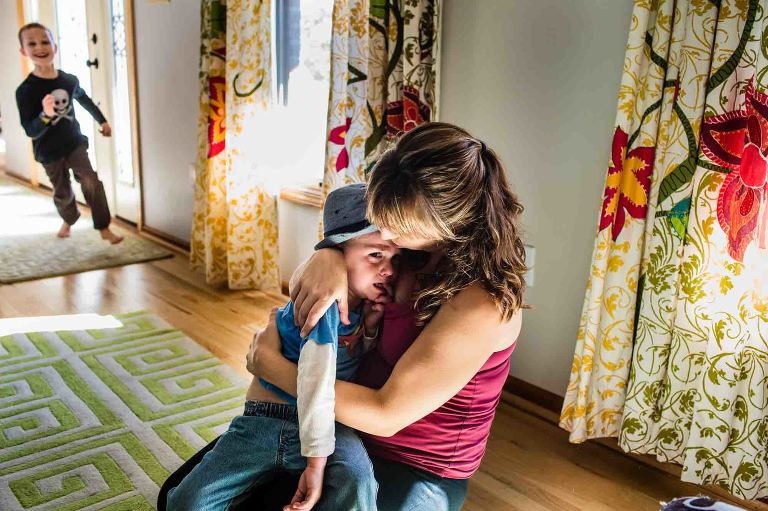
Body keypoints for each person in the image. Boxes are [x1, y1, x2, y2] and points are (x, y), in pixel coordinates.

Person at [249, 121, 527, 511]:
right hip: (342, 428)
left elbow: (386, 415)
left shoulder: (484, 302)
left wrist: (271, 366)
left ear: (443, 225)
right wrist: (327, 253)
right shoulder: (407, 226)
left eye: (393, 225)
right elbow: (339, 227)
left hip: (417, 466)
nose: (381, 228)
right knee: (191, 494)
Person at [165, 184, 398, 511]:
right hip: (268, 422)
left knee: (359, 482)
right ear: (337, 254)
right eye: (376, 255)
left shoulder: (364, 306)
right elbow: (316, 380)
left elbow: (347, 359)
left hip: (331, 425)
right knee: (189, 502)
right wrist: (316, 464)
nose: (388, 270)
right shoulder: (324, 303)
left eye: (394, 258)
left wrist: (369, 332)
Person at [15, 22, 123, 244]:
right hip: (48, 151)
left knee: (91, 180)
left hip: (73, 143)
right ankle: (69, 219)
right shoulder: (25, 91)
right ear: (23, 51)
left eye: (45, 41)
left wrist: (102, 120)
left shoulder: (68, 80)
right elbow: (30, 130)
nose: (39, 47)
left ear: (55, 47)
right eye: (32, 43)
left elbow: (84, 100)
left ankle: (103, 227)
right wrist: (45, 115)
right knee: (62, 192)